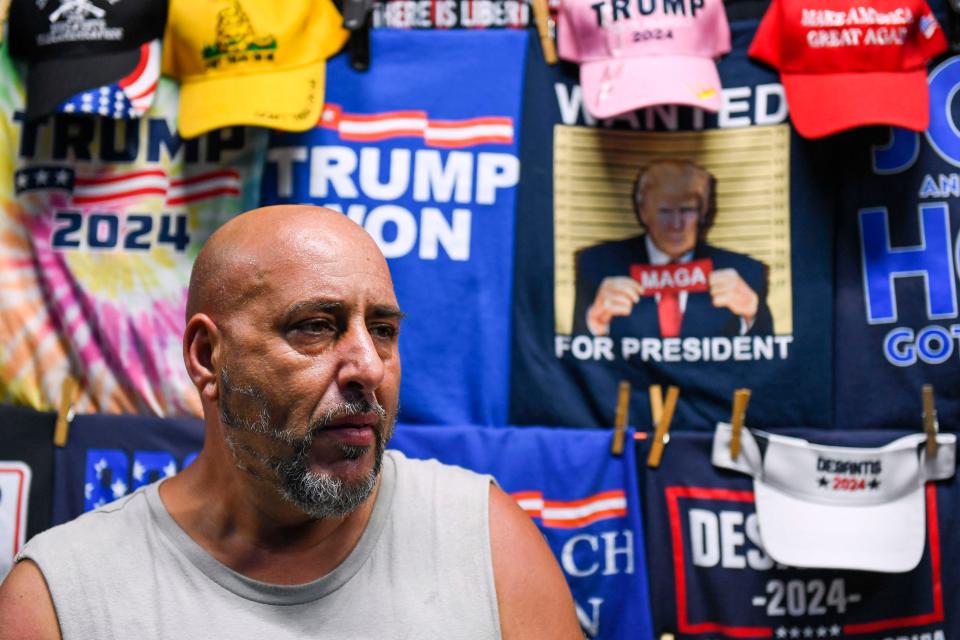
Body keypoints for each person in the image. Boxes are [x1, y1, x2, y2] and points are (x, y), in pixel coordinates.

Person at [0, 205, 582, 639]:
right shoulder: (62, 599)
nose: (369, 367)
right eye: (315, 327)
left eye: (382, 330)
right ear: (208, 356)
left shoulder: (487, 542)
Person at [572, 158, 774, 338]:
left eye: (686, 210)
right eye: (665, 211)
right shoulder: (597, 265)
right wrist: (595, 322)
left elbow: (775, 359)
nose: (676, 224)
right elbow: (564, 360)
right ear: (643, 212)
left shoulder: (745, 272)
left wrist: (752, 313)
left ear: (703, 212)